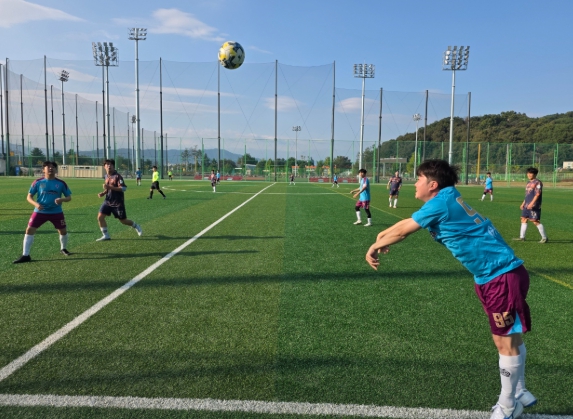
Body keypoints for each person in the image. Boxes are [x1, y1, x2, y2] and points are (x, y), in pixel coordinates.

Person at [365, 160, 536, 419]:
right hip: (493, 275)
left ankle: (508, 406)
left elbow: (402, 232)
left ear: (432, 185)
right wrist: (380, 238)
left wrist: (374, 246)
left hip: (500, 276)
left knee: (504, 341)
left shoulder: (440, 203)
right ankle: (520, 391)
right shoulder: (445, 197)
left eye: (419, 179)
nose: (414, 184)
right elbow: (406, 224)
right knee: (509, 336)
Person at [13, 161, 72, 263]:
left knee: (62, 231)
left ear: (56, 170)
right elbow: (29, 197)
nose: (51, 168)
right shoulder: (38, 182)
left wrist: (61, 199)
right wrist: (36, 204)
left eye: (53, 167)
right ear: (43, 170)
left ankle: (63, 248)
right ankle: (25, 255)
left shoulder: (61, 183)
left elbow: (69, 197)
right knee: (29, 230)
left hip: (56, 212)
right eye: (48, 167)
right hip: (40, 212)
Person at [96, 159, 142, 241]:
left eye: (111, 164)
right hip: (107, 201)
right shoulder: (106, 176)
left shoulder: (118, 176)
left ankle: (136, 226)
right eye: (107, 164)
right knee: (100, 217)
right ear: (104, 167)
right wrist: (103, 193)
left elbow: (123, 188)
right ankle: (106, 235)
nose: (109, 166)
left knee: (123, 221)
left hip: (117, 202)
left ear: (113, 166)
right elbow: (108, 188)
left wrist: (109, 187)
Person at [514, 167, 547, 243]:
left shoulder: (538, 182)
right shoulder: (528, 182)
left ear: (535, 174)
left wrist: (532, 203)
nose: (528, 175)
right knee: (523, 219)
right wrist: (523, 203)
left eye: (531, 173)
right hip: (527, 204)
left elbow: (537, 194)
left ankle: (544, 238)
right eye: (528, 173)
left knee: (535, 221)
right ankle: (522, 237)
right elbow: (527, 195)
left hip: (534, 205)